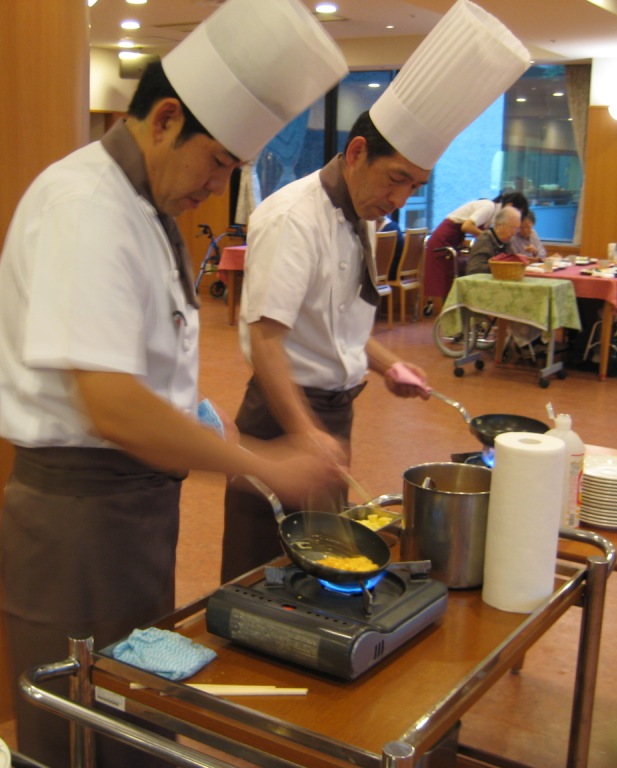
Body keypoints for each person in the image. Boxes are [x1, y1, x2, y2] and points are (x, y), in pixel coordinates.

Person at [0, 1, 348, 765]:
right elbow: (112, 405)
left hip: (135, 513)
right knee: (81, 731)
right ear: (163, 120)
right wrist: (263, 461)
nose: (215, 187)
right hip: (81, 523)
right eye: (215, 162)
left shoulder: (145, 205)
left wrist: (200, 420)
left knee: (133, 715)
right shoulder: (86, 206)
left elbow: (147, 364)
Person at [220, 0, 531, 582]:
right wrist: (306, 433)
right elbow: (265, 342)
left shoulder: (361, 213)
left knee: (320, 567)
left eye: (414, 185)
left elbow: (337, 327)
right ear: (358, 153)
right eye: (396, 179)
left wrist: (388, 365)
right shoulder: (293, 217)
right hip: (284, 415)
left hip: (333, 413)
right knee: (260, 567)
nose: (399, 199)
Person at [423, 190, 530, 312]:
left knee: (450, 281)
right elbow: (467, 226)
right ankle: (449, 318)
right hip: (443, 239)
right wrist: (488, 238)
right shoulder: (488, 207)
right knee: (447, 282)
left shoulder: (494, 215)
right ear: (510, 206)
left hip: (454, 240)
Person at [465, 205, 523, 274]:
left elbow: (511, 262)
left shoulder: (506, 242)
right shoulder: (485, 240)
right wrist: (499, 266)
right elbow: (474, 269)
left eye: (517, 229)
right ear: (499, 225)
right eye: (512, 228)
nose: (514, 233)